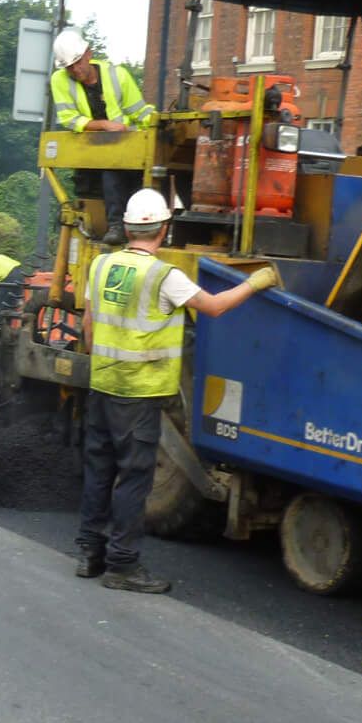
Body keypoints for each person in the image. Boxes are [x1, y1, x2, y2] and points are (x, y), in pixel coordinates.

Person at [77, 187, 279, 593]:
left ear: (129, 227)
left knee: (100, 471)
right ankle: (122, 565)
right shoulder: (163, 276)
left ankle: (89, 554)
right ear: (164, 230)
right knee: (135, 479)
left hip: (102, 386)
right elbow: (216, 307)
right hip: (139, 394)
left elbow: (88, 326)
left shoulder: (100, 266)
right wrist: (258, 282)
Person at [47, 28, 156, 246]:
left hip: (125, 146)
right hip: (92, 151)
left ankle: (136, 225)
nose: (75, 69)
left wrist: (158, 122)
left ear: (88, 53)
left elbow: (140, 112)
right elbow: (69, 119)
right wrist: (104, 125)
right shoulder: (59, 80)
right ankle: (116, 225)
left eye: (78, 62)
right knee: (109, 168)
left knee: (133, 178)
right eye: (70, 67)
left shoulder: (118, 75)